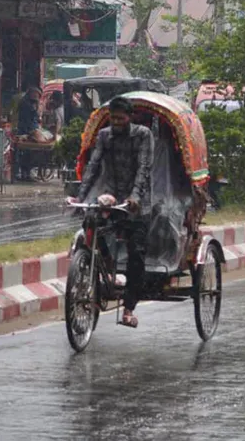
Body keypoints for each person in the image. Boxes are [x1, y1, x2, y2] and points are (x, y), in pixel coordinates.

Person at [70, 97, 154, 328]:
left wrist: (135, 197)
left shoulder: (143, 135)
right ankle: (101, 274)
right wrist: (81, 195)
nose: (116, 122)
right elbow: (94, 165)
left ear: (130, 118)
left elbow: (143, 168)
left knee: (136, 253)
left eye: (121, 118)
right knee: (91, 227)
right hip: (112, 196)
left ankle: (128, 308)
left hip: (138, 201)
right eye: (113, 118)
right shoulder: (105, 135)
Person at [16, 87, 41, 181]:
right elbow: (31, 118)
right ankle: (25, 174)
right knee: (27, 153)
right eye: (36, 95)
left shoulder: (27, 102)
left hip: (28, 131)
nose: (37, 97)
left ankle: (25, 173)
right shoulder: (27, 104)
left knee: (27, 154)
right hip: (26, 132)